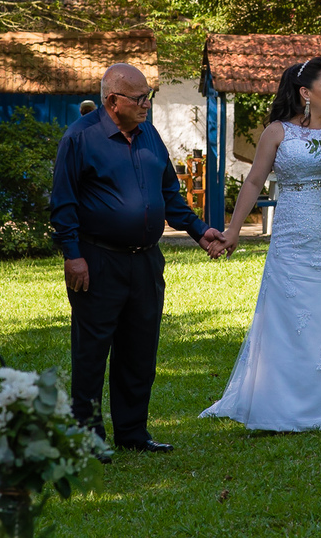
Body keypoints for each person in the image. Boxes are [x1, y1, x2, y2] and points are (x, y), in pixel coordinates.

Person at [50, 63, 223, 454]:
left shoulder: (148, 135)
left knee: (140, 350)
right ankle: (88, 439)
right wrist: (73, 256)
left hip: (145, 262)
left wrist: (199, 230)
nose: (146, 104)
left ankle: (133, 433)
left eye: (149, 96)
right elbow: (63, 205)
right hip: (98, 261)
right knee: (92, 353)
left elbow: (169, 196)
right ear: (113, 101)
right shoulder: (80, 138)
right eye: (140, 98)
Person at [200, 57, 321, 431]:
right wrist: (232, 231)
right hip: (293, 238)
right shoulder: (276, 132)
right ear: (305, 93)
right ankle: (284, 403)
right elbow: (253, 183)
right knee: (290, 317)